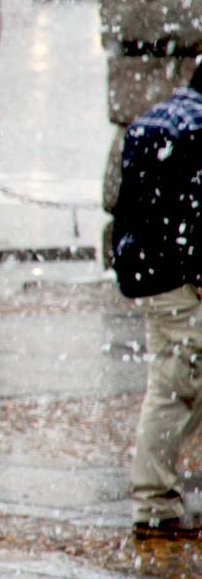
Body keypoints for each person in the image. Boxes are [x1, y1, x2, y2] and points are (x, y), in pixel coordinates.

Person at [112, 61, 202, 541]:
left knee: (177, 380)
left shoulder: (156, 120)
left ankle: (157, 499)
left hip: (153, 275)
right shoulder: (197, 130)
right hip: (181, 279)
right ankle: (155, 503)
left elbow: (123, 202)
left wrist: (128, 264)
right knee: (174, 389)